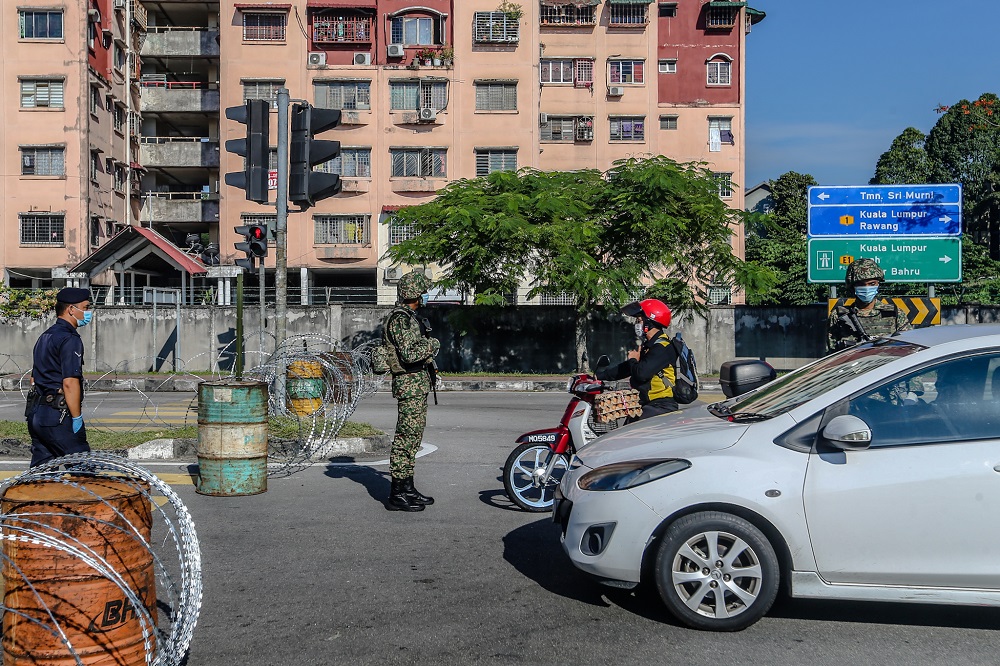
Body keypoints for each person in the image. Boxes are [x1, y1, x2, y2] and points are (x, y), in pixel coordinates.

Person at [382, 271, 440, 512]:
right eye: (423, 292)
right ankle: (397, 493)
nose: (426, 296)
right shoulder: (400, 319)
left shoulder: (410, 317)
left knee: (413, 438)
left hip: (417, 384)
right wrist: (433, 344)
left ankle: (408, 487)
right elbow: (410, 354)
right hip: (409, 385)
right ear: (415, 294)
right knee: (406, 438)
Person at [25, 287, 93, 467]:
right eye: (85, 308)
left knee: (43, 475)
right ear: (71, 309)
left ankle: (33, 494)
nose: (88, 312)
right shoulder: (70, 339)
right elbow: (70, 382)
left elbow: (33, 378)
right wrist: (77, 418)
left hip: (37, 415)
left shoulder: (45, 336)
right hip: (58, 417)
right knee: (83, 471)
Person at [596, 299, 680, 422]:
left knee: (629, 432)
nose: (637, 324)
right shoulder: (650, 346)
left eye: (640, 320)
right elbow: (626, 369)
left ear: (650, 323)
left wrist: (633, 360)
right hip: (648, 404)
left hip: (661, 406)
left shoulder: (663, 347)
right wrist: (599, 376)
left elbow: (641, 373)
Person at [827, 257, 911, 353]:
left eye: (872, 284)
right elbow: (831, 353)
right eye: (861, 284)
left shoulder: (894, 313)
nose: (867, 288)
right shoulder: (839, 315)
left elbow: (908, 348)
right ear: (852, 287)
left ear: (878, 284)